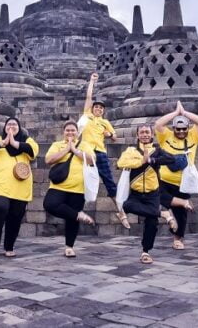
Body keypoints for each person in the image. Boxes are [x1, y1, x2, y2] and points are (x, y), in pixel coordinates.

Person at [0, 117, 39, 263]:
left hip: (20, 187)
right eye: (9, 124)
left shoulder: (27, 140)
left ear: (19, 127)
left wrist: (14, 143)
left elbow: (32, 152)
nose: (11, 126)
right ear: (5, 127)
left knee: (15, 217)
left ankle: (9, 246)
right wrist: (3, 143)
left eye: (14, 124)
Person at [155, 100, 198, 250]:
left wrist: (184, 113)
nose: (181, 132)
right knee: (157, 198)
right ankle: (181, 203)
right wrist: (175, 113)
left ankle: (178, 239)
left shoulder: (193, 136)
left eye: (184, 129)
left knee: (181, 215)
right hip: (164, 179)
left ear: (188, 128)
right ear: (173, 128)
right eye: (178, 129)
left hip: (183, 182)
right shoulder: (166, 136)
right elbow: (158, 124)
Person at [80, 72, 129, 228]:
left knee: (109, 181)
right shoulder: (87, 115)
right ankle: (77, 211)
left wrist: (109, 134)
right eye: (97, 107)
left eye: (101, 108)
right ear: (92, 109)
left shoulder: (105, 122)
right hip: (86, 152)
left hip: (100, 153)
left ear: (103, 111)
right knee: (81, 181)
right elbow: (88, 98)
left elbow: (114, 137)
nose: (98, 109)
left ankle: (120, 211)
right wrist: (92, 81)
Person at [43, 121, 96, 258]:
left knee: (71, 220)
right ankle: (79, 214)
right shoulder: (57, 145)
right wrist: (66, 149)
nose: (70, 133)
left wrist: (75, 151)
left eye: (73, 130)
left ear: (77, 132)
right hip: (58, 186)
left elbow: (91, 160)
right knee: (49, 204)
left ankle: (69, 246)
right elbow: (49, 160)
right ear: (63, 132)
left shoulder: (85, 145)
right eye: (68, 130)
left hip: (78, 189)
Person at [117, 124, 162, 264]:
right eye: (141, 132)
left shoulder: (158, 151)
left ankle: (145, 251)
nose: (144, 134)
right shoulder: (131, 150)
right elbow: (121, 162)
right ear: (137, 135)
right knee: (127, 206)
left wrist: (152, 160)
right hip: (136, 192)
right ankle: (162, 213)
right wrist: (141, 161)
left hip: (152, 192)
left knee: (152, 221)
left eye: (147, 132)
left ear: (152, 135)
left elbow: (170, 160)